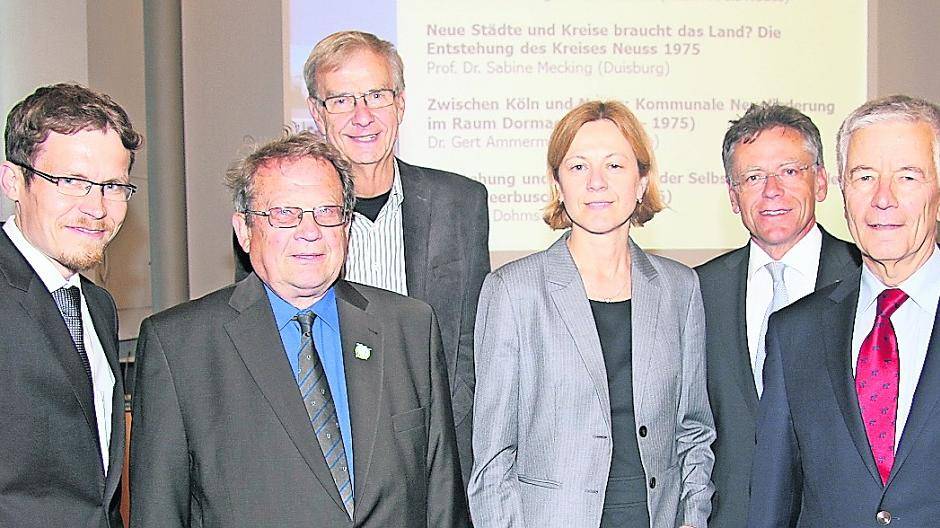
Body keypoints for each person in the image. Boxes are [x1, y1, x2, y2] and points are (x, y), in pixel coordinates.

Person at [130, 131, 468, 527]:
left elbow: (443, 500)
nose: (309, 231)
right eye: (285, 214)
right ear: (244, 230)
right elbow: (158, 514)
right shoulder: (179, 347)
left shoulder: (410, 329)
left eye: (327, 212)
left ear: (346, 225)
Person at [469, 100, 714, 527]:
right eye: (579, 167)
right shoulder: (513, 291)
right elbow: (493, 459)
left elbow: (692, 430)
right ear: (558, 184)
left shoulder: (680, 288)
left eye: (615, 166)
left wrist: (693, 518)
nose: (597, 182)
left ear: (641, 181)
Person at [748, 95, 940, 527]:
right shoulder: (794, 333)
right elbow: (771, 506)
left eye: (907, 177)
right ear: (842, 192)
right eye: (864, 177)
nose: (883, 198)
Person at [694, 103, 860, 527]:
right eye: (753, 178)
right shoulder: (696, 291)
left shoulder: (867, 278)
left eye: (789, 171)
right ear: (733, 197)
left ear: (820, 181)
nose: (771, 191)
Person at [0, 83, 142, 528]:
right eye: (73, 182)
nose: (96, 208)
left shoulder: (97, 305)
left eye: (113, 186)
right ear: (13, 181)